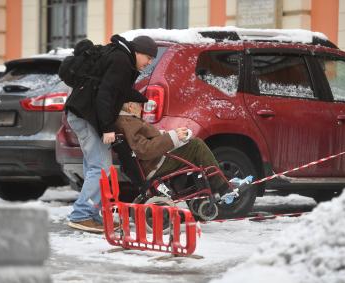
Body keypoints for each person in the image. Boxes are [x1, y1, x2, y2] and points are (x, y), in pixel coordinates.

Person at [65, 34, 158, 233]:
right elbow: (105, 95)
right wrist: (107, 128)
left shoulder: (120, 58)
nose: (149, 63)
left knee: (95, 166)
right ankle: (81, 215)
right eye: (148, 57)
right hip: (86, 116)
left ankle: (92, 214)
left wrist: (142, 98)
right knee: (101, 168)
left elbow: (118, 89)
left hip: (82, 113)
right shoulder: (122, 61)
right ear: (138, 51)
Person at [114, 91, 233, 199]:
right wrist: (172, 137)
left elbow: (144, 141)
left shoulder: (126, 121)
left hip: (153, 162)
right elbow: (144, 149)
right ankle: (223, 187)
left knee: (191, 147)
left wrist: (172, 135)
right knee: (196, 146)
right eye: (140, 105)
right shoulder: (128, 122)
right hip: (153, 164)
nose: (141, 109)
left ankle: (212, 187)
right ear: (130, 106)